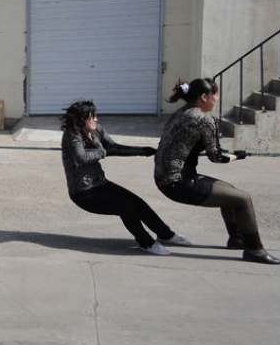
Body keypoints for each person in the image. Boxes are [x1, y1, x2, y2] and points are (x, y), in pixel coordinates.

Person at [155, 78, 280, 265]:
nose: (216, 99)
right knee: (243, 199)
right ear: (204, 97)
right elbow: (217, 157)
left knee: (230, 191)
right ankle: (255, 249)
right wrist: (236, 156)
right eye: (215, 95)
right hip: (179, 183)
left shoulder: (180, 113)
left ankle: (237, 239)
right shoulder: (204, 119)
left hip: (164, 179)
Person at [61, 100, 191, 255]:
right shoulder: (71, 135)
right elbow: (81, 157)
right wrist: (103, 152)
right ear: (81, 119)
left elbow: (114, 148)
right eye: (92, 117)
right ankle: (146, 243)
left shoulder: (96, 130)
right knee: (125, 207)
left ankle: (166, 235)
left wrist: (143, 151)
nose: (96, 119)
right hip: (83, 193)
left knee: (138, 202)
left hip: (100, 184)